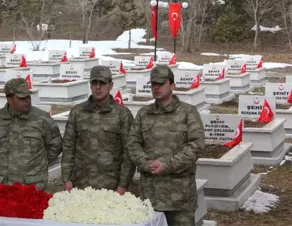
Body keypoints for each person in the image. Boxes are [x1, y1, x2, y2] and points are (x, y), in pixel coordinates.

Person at [127, 65, 205, 226]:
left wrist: (167, 165)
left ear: (172, 85)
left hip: (179, 197)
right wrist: (146, 163)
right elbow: (133, 143)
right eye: (153, 84)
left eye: (161, 83)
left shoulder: (187, 113)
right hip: (151, 195)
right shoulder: (144, 114)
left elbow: (196, 145)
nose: (156, 87)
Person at [61, 66, 135, 195]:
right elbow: (68, 146)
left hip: (111, 186)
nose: (98, 87)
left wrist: (123, 184)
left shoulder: (122, 114)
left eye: (102, 83)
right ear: (90, 85)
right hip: (81, 185)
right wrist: (66, 179)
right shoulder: (77, 112)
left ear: (111, 85)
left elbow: (129, 152)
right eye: (94, 83)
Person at [0, 78, 63, 189]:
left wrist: (38, 163)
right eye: (21, 98)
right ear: (9, 99)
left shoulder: (42, 119)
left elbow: (56, 145)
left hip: (33, 184)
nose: (27, 100)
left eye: (28, 96)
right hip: (3, 184)